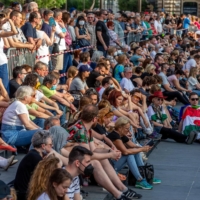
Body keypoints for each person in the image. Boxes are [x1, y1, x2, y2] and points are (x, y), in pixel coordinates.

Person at [67, 106, 142, 200]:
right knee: (96, 163)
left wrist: (109, 151)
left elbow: (92, 150)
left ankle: (122, 189)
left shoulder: (85, 128)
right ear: (94, 119)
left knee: (103, 158)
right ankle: (118, 194)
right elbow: (88, 155)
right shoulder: (81, 130)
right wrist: (111, 155)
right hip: (67, 159)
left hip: (73, 157)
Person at [107, 116, 160, 189]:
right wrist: (141, 149)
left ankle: (144, 175)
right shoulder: (114, 136)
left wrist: (143, 147)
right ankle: (139, 179)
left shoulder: (121, 134)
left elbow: (133, 145)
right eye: (126, 128)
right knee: (129, 155)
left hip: (115, 161)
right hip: (110, 166)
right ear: (119, 128)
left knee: (135, 152)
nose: (128, 131)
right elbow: (125, 152)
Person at [14, 131, 53, 200]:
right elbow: (45, 180)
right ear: (43, 146)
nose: (52, 146)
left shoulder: (33, 154)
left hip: (24, 192)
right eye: (50, 144)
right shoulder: (35, 158)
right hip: (26, 195)